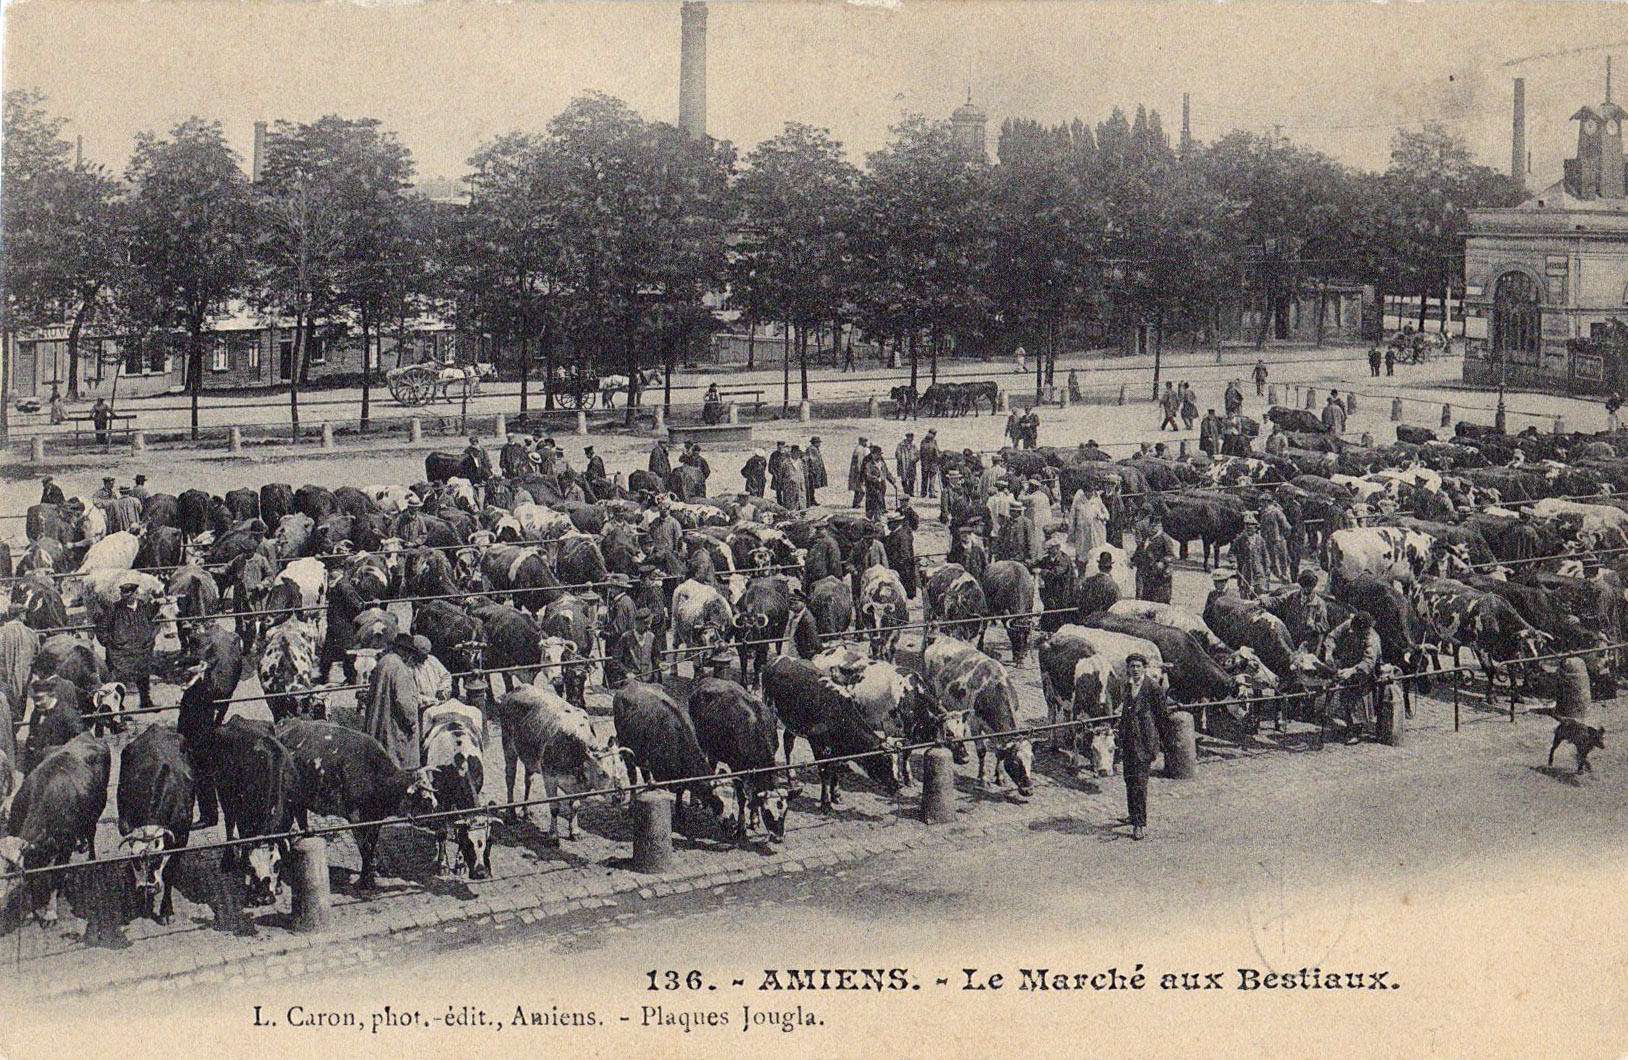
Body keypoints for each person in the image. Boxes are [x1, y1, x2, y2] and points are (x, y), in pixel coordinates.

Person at [1116, 652, 1163, 840]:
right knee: (1129, 780)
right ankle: (1132, 815)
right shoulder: (1127, 686)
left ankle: (1139, 824)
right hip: (1128, 740)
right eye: (1132, 666)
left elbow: (1161, 717)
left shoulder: (1152, 687)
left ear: (1144, 668)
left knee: (1141, 784)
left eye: (1138, 666)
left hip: (1144, 742)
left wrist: (1158, 744)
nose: (1135, 669)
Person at [366, 633, 426, 770]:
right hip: (394, 727)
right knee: (398, 766)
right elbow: (404, 703)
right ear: (404, 651)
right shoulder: (401, 669)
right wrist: (412, 723)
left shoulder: (384, 661)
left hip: (378, 721)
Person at [97, 582, 158, 713]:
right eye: (123, 595)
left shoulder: (142, 606)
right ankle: (118, 706)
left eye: (129, 595)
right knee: (119, 679)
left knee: (143, 674)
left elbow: (152, 617)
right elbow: (102, 628)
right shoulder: (114, 609)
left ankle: (145, 701)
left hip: (141, 649)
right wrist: (109, 643)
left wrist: (159, 603)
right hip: (120, 651)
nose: (125, 598)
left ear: (135, 594)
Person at [1323, 612, 1381, 743]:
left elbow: (1368, 664)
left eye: (1357, 632)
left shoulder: (1372, 640)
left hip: (1365, 672)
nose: (1353, 632)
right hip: (1348, 661)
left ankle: (1356, 730)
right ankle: (1348, 723)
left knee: (1357, 695)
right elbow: (1332, 636)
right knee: (1344, 693)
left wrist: (1352, 671)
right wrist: (1329, 653)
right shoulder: (1349, 625)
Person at [1281, 570, 1331, 653]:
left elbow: (1325, 626)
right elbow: (1279, 601)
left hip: (1308, 643)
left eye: (1310, 587)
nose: (1307, 590)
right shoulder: (1292, 597)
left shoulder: (1319, 603)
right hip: (1291, 639)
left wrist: (1313, 625)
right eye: (1305, 587)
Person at [1131, 522, 1176, 603]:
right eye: (1151, 526)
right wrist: (1133, 560)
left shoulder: (1165, 538)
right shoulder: (1147, 538)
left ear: (1160, 526)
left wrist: (1162, 562)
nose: (1153, 528)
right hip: (1148, 573)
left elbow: (1171, 556)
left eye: (1155, 525)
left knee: (1159, 600)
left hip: (1160, 575)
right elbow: (1140, 550)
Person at [1229, 512, 1270, 598]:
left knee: (1260, 591)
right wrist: (1233, 562)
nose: (1249, 527)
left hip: (1258, 570)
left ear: (1256, 527)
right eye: (1247, 525)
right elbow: (1231, 552)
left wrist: (1267, 568)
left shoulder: (1260, 540)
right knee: (1245, 592)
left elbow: (1265, 555)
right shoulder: (1239, 539)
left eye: (1252, 525)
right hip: (1244, 571)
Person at [1074, 550, 1121, 617]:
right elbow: (1117, 605)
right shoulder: (1113, 585)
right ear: (1110, 568)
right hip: (1104, 619)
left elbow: (1080, 599)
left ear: (1099, 567)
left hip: (1087, 617)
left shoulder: (1088, 581)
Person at [1068, 488, 1109, 556]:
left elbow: (1107, 515)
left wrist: (1101, 516)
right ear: (1085, 492)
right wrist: (1071, 533)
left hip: (1096, 532)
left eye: (1092, 491)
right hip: (1083, 532)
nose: (1091, 493)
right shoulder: (1079, 502)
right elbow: (1072, 517)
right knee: (1083, 552)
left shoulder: (1097, 501)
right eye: (1089, 491)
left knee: (1096, 552)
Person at [995, 499, 1036, 563]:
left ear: (1018, 512)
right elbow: (1001, 537)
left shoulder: (1026, 522)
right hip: (1007, 556)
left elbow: (1030, 540)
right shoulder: (1007, 522)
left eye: (1012, 511)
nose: (1010, 513)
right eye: (1010, 511)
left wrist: (1030, 557)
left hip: (1020, 556)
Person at [862, 444, 893, 519]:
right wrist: (874, 478)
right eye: (878, 454)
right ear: (873, 454)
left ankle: (879, 515)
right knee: (872, 503)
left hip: (881, 485)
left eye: (880, 454)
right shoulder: (867, 461)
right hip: (872, 486)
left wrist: (892, 481)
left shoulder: (881, 461)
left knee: (880, 499)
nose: (879, 456)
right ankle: (870, 517)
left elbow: (886, 471)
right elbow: (865, 474)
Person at [805, 436, 828, 506]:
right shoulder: (812, 449)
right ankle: (810, 501)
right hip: (812, 471)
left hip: (814, 471)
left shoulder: (815, 449)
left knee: (812, 486)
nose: (819, 444)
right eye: (818, 442)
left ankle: (812, 500)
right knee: (810, 486)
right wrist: (813, 471)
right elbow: (812, 461)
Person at [896, 433, 919, 498]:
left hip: (911, 465)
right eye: (910, 438)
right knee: (904, 478)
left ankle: (911, 492)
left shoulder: (914, 445)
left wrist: (915, 459)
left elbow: (917, 454)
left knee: (912, 478)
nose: (911, 439)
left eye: (912, 438)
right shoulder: (900, 445)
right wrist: (900, 459)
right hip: (903, 465)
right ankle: (906, 491)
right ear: (907, 438)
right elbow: (897, 454)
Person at [918, 429, 940, 498]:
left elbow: (920, 453)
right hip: (933, 464)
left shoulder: (923, 442)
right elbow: (937, 454)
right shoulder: (933, 444)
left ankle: (923, 493)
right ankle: (931, 493)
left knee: (924, 479)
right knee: (932, 479)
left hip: (924, 464)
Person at [849, 437, 870, 508]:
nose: (866, 443)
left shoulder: (859, 448)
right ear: (861, 441)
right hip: (858, 472)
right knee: (862, 490)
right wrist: (861, 472)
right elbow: (859, 462)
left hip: (855, 472)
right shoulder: (859, 450)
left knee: (857, 489)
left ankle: (855, 503)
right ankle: (857, 503)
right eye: (865, 441)